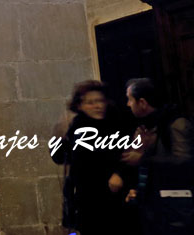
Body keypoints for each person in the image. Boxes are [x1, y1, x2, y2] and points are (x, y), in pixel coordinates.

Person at [52, 80, 132, 234]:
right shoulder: (77, 126)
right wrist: (59, 135)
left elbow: (129, 155)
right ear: (79, 106)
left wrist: (120, 173)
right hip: (86, 199)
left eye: (100, 101)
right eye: (90, 102)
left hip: (113, 197)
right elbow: (60, 157)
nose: (97, 106)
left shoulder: (116, 124)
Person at [121, 78, 194, 234]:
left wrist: (143, 158)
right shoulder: (146, 128)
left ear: (142, 103)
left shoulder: (175, 123)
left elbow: (184, 163)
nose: (128, 104)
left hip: (176, 212)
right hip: (155, 211)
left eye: (130, 99)